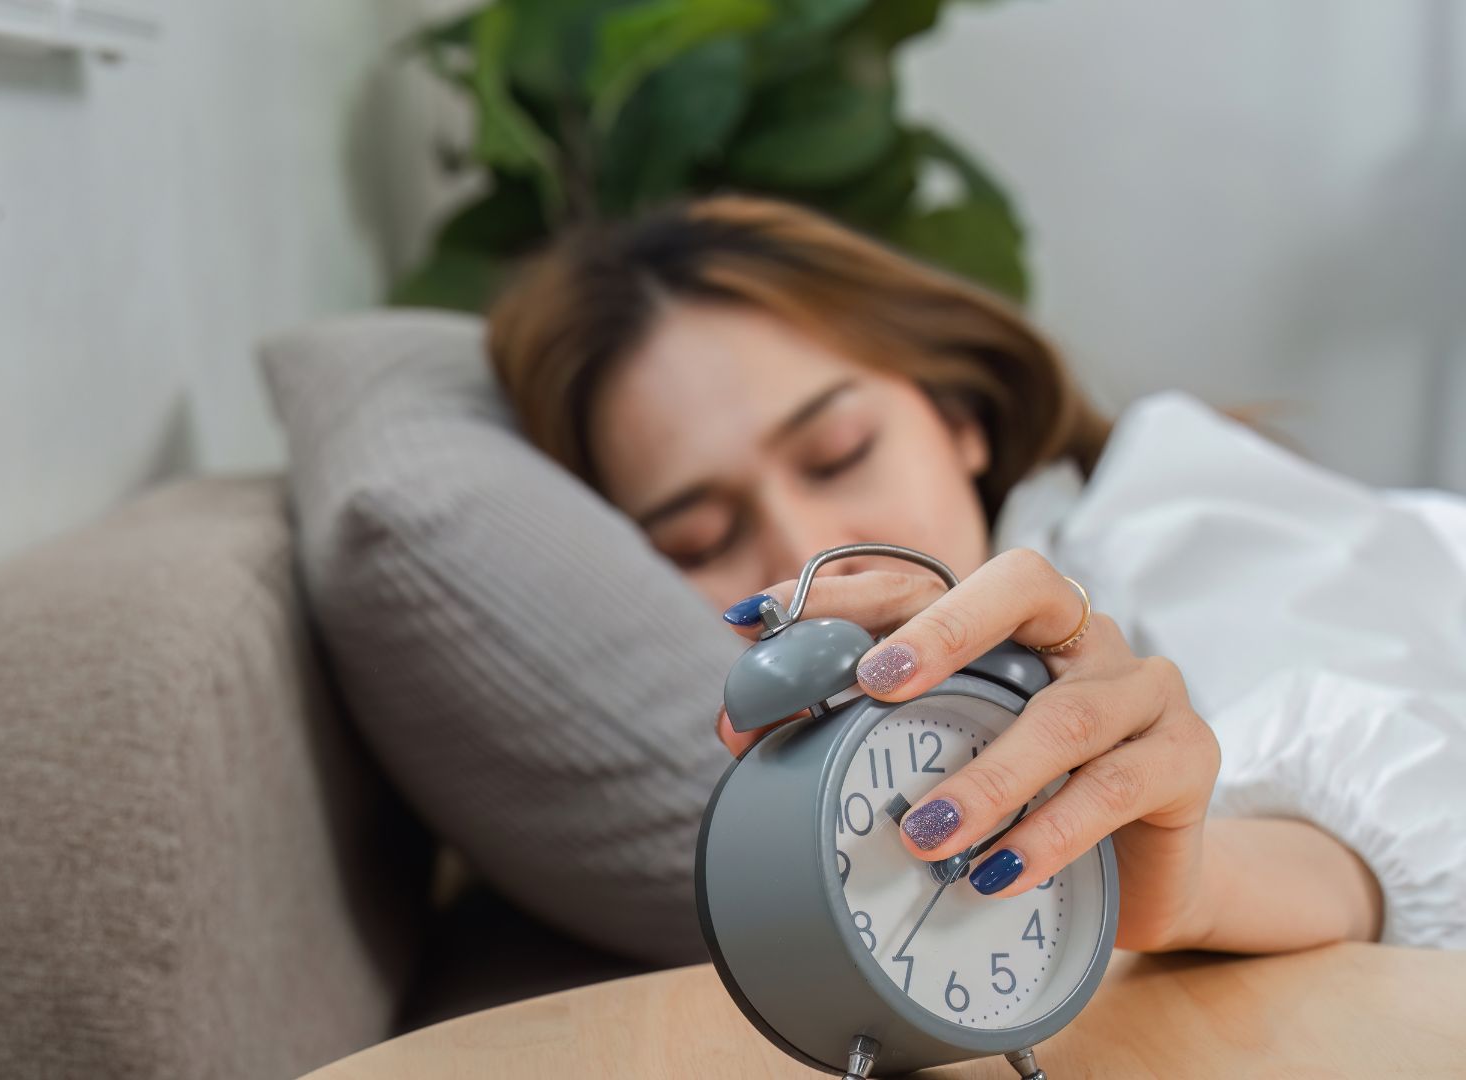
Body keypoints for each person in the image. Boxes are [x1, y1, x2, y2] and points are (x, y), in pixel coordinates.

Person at [485, 193, 1466, 953]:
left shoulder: (1167, 515)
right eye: (697, 541)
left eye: (839, 451)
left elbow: (1407, 807)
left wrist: (1199, 883)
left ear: (958, 416)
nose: (811, 541)